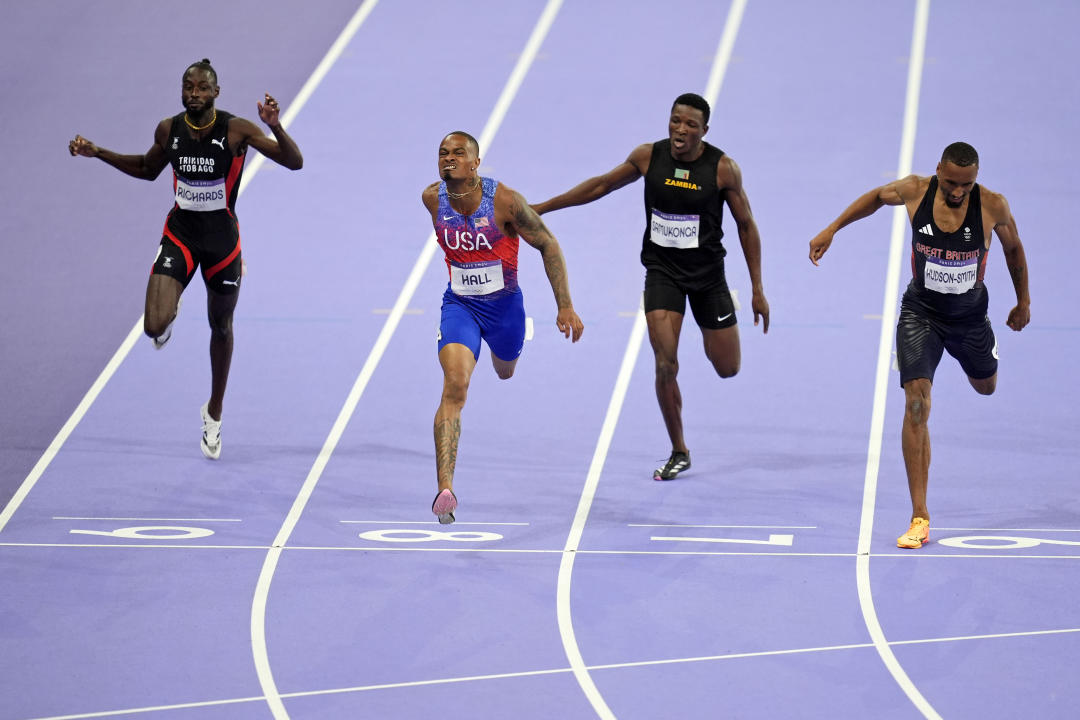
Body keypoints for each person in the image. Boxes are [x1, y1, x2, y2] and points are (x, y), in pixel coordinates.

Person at [69, 59, 303, 460]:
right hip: (180, 236)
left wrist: (275, 126)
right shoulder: (169, 129)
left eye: (201, 88)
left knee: (221, 326)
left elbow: (294, 161)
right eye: (188, 87)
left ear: (216, 92)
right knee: (153, 325)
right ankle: (170, 308)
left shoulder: (236, 130)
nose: (193, 94)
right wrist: (97, 152)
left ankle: (213, 412)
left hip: (222, 246)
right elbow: (146, 168)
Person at [533, 93, 769, 481]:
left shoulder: (723, 169)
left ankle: (710, 348)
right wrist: (540, 208)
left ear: (704, 131)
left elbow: (746, 226)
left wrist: (757, 289)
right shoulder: (648, 157)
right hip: (663, 274)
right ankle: (679, 449)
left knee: (728, 368)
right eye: (676, 120)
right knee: (664, 363)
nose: (680, 129)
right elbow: (600, 187)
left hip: (709, 278)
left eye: (690, 125)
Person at [809, 141, 1031, 549]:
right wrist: (832, 229)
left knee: (986, 387)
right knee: (916, 403)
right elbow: (875, 198)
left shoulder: (993, 205)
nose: (958, 191)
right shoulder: (915, 190)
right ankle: (920, 516)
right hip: (920, 315)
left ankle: (979, 356)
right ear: (938, 172)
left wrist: (1023, 300)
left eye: (967, 184)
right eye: (951, 182)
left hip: (969, 320)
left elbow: (1013, 248)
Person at [422, 131, 584, 524]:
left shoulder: (505, 201)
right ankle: (446, 490)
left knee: (505, 370)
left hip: (505, 308)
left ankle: (508, 347)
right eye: (443, 153)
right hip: (459, 305)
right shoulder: (432, 199)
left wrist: (564, 305)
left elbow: (547, 244)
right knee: (455, 386)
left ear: (476, 163)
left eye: (459, 153)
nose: (449, 159)